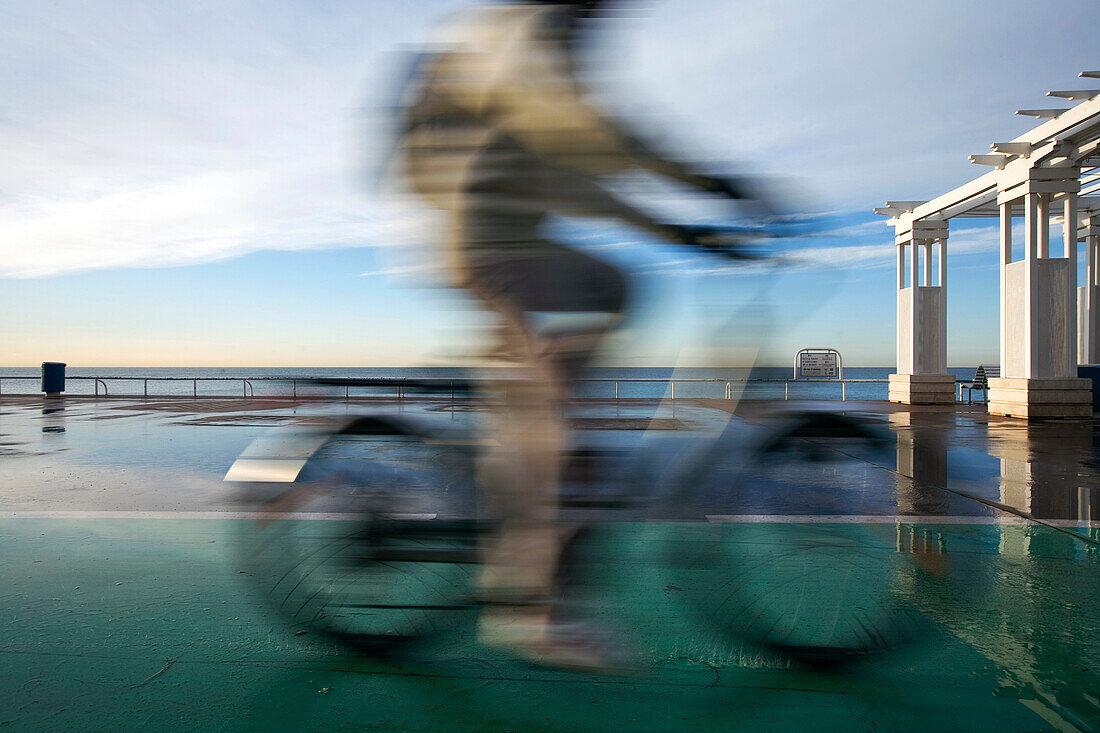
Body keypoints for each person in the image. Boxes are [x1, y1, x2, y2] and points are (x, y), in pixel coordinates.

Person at [395, 0, 755, 670]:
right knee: (553, 419)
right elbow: (596, 134)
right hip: (489, 246)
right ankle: (534, 608)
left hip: (511, 239)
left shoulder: (537, 37)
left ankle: (533, 411)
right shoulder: (531, 33)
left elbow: (583, 181)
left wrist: (686, 229)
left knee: (615, 286)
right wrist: (711, 184)